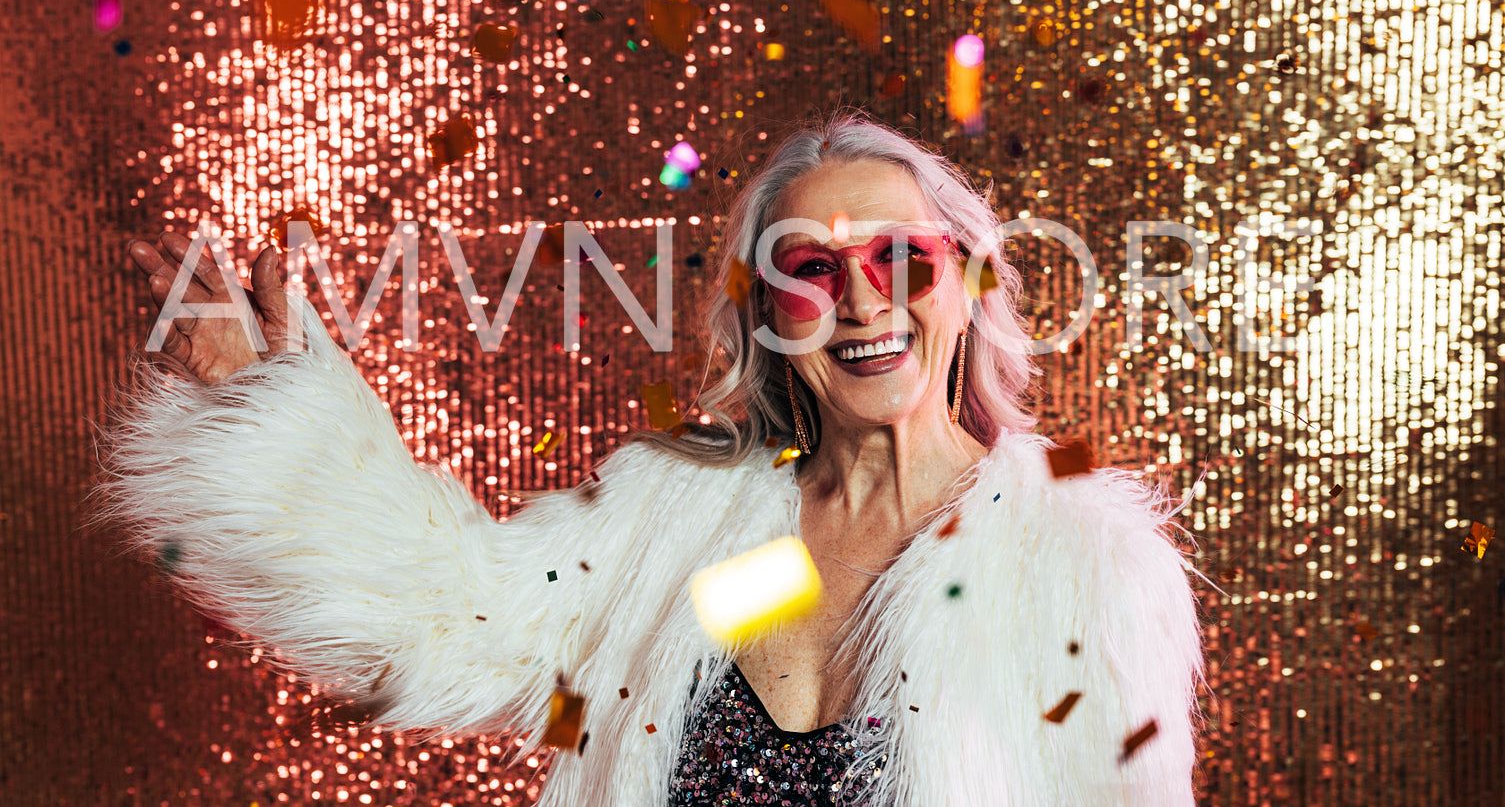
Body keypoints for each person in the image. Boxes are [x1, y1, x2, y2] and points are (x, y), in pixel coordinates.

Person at [93, 111, 1205, 806]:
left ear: (962, 281)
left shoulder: (1083, 561)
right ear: (770, 314)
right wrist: (267, 400)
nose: (862, 297)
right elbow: (453, 616)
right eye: (810, 267)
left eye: (897, 255)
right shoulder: (689, 517)